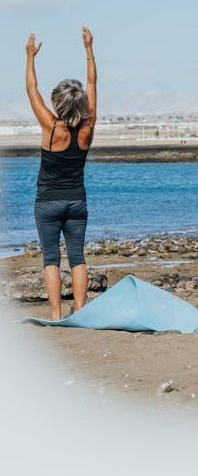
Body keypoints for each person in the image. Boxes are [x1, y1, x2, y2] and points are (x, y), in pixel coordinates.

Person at [25, 27, 97, 321]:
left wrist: (29, 58)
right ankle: (79, 310)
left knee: (51, 258)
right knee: (78, 257)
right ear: (80, 104)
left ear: (58, 104)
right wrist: (89, 50)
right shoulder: (88, 128)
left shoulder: (51, 127)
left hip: (47, 203)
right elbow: (92, 81)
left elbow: (31, 90)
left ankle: (56, 315)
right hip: (77, 202)